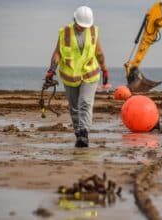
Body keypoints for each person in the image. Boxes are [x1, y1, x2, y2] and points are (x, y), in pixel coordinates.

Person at [45, 6, 110, 148]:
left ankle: (84, 134)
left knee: (85, 103)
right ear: (75, 20)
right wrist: (51, 69)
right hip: (70, 76)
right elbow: (57, 53)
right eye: (80, 25)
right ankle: (78, 133)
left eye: (85, 26)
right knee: (74, 107)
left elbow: (98, 52)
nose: (82, 28)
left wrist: (104, 69)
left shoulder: (93, 31)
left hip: (89, 74)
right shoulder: (64, 33)